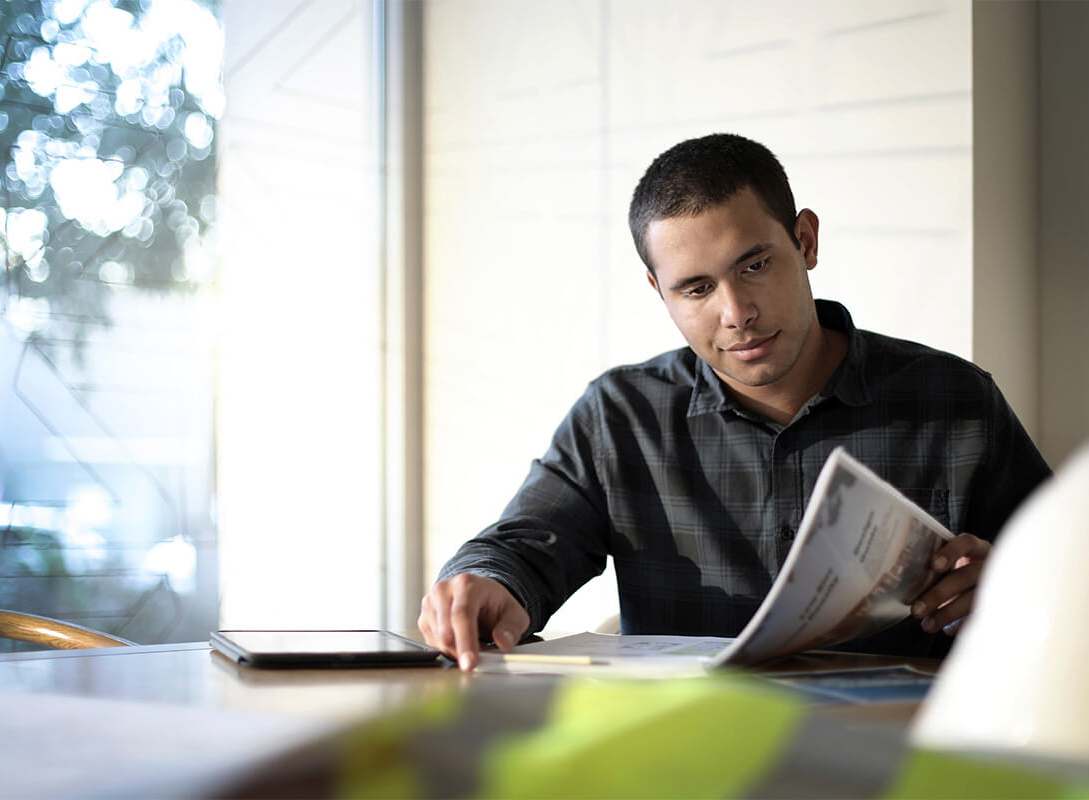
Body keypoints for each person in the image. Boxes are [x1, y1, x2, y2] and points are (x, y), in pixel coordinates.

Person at [419, 133, 1052, 671]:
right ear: (659, 291)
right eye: (695, 288)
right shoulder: (621, 418)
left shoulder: (956, 401)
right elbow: (525, 544)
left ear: (804, 241)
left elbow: (1073, 577)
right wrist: (487, 584)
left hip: (904, 755)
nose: (736, 313)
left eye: (754, 267)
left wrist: (1013, 585)